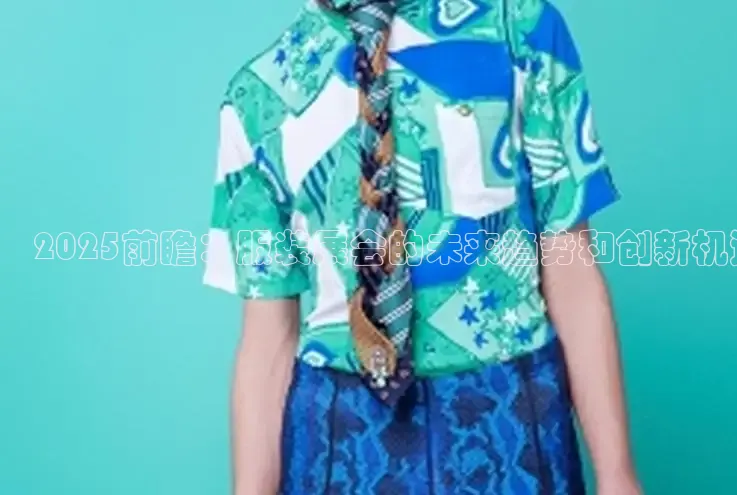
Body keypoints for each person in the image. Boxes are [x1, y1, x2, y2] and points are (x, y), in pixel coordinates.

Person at [203, 0, 642, 493]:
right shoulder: (258, 96)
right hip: (338, 436)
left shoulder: (518, 27)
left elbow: (571, 266)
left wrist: (617, 474)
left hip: (513, 416)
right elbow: (267, 336)